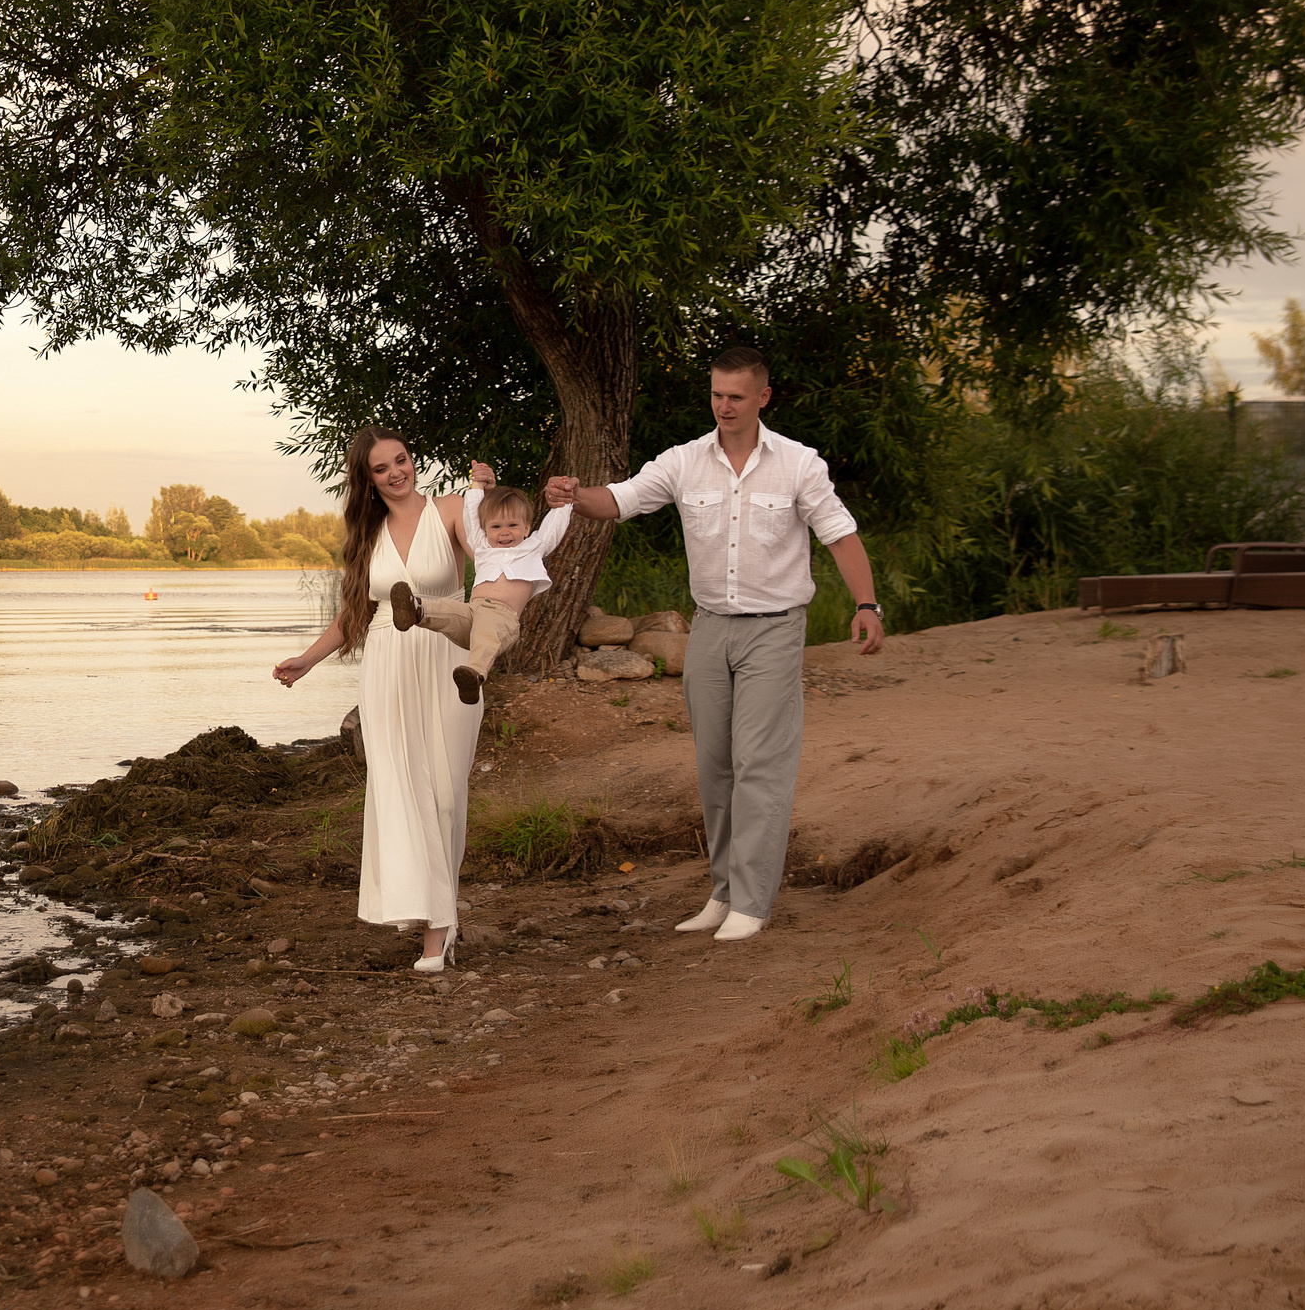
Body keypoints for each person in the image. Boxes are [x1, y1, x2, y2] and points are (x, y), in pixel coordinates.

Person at [546, 347, 884, 943]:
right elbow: (620, 500)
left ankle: (753, 901)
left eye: (736, 396)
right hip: (709, 629)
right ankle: (724, 892)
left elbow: (839, 534)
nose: (724, 406)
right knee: (715, 767)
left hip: (774, 629)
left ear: (762, 397)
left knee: (759, 764)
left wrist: (866, 605)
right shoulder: (684, 461)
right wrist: (575, 495)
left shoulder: (799, 464)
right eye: (716, 395)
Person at [274, 428, 486, 973]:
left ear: (413, 460)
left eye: (402, 460)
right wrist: (308, 659)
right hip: (388, 669)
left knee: (444, 796)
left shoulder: (451, 510)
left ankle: (441, 917)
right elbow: (355, 613)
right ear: (367, 480)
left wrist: (484, 497)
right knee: (401, 792)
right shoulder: (369, 535)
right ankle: (434, 925)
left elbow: (495, 560)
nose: (396, 473)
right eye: (382, 468)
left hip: (446, 659)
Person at [387, 466, 574, 704]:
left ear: (527, 528)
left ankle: (474, 675)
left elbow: (553, 529)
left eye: (512, 525)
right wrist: (476, 484)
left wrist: (565, 501)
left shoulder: (533, 548)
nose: (504, 533)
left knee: (487, 630)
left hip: (502, 619)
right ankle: (415, 610)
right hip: (472, 611)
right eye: (496, 527)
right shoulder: (482, 547)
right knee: (449, 609)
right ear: (486, 529)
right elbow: (471, 515)